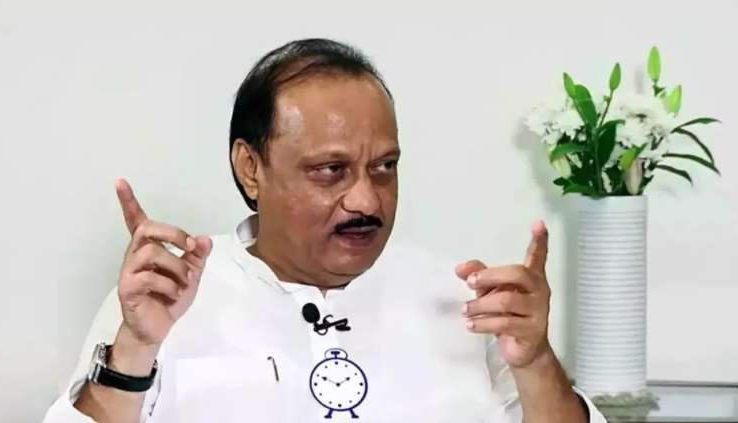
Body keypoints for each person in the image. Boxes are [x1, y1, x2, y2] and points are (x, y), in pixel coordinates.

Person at [43, 38, 606, 422]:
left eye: (384, 167)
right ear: (250, 168)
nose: (366, 200)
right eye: (330, 170)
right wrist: (135, 349)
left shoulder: (465, 302)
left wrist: (535, 361)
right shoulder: (164, 299)